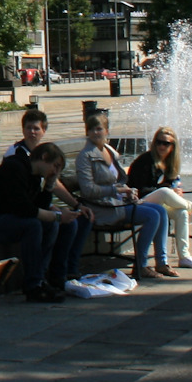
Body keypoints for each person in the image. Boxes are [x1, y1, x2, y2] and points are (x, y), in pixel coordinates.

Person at [0, 141, 80, 302]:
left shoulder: (34, 176)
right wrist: (59, 216)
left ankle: (49, 277)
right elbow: (24, 209)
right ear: (44, 157)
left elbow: (38, 206)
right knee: (33, 226)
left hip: (5, 219)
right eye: (55, 166)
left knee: (51, 225)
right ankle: (33, 285)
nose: (56, 171)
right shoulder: (15, 168)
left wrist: (49, 186)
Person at [74, 114, 172, 279]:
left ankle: (161, 263)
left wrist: (128, 190)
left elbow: (118, 181)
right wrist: (117, 191)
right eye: (91, 129)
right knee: (153, 215)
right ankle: (140, 265)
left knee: (161, 211)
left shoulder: (109, 151)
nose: (95, 133)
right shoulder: (85, 156)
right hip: (103, 207)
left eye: (99, 128)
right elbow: (88, 190)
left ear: (107, 130)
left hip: (119, 202)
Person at [4, 109, 93, 289]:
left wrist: (76, 205)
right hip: (10, 211)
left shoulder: (40, 154)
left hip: (29, 203)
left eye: (36, 128)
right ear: (22, 130)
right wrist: (55, 213)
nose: (32, 132)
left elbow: (53, 183)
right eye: (28, 128)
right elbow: (20, 199)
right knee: (48, 223)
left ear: (44, 131)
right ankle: (42, 276)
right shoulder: (15, 156)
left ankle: (64, 272)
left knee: (76, 220)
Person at [126, 127, 192, 269]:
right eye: (159, 142)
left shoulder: (170, 164)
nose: (162, 146)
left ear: (173, 146)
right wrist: (169, 191)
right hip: (138, 202)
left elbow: (170, 185)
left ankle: (184, 256)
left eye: (166, 143)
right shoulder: (145, 161)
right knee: (164, 192)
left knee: (181, 213)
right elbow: (140, 190)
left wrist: (175, 192)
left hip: (158, 204)